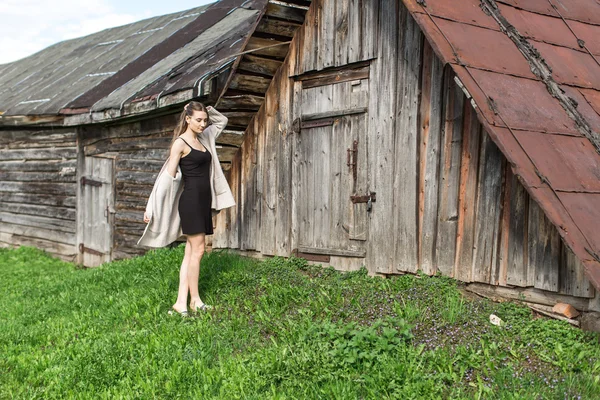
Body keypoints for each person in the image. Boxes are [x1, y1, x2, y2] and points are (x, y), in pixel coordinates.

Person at [139, 101, 236, 316]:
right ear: (188, 119)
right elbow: (167, 178)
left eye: (204, 121)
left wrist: (207, 110)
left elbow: (223, 121)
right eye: (198, 120)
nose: (203, 124)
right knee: (199, 250)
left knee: (191, 252)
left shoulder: (205, 138)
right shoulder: (180, 144)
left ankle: (180, 302)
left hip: (203, 201)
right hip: (190, 201)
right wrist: (151, 206)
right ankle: (196, 300)